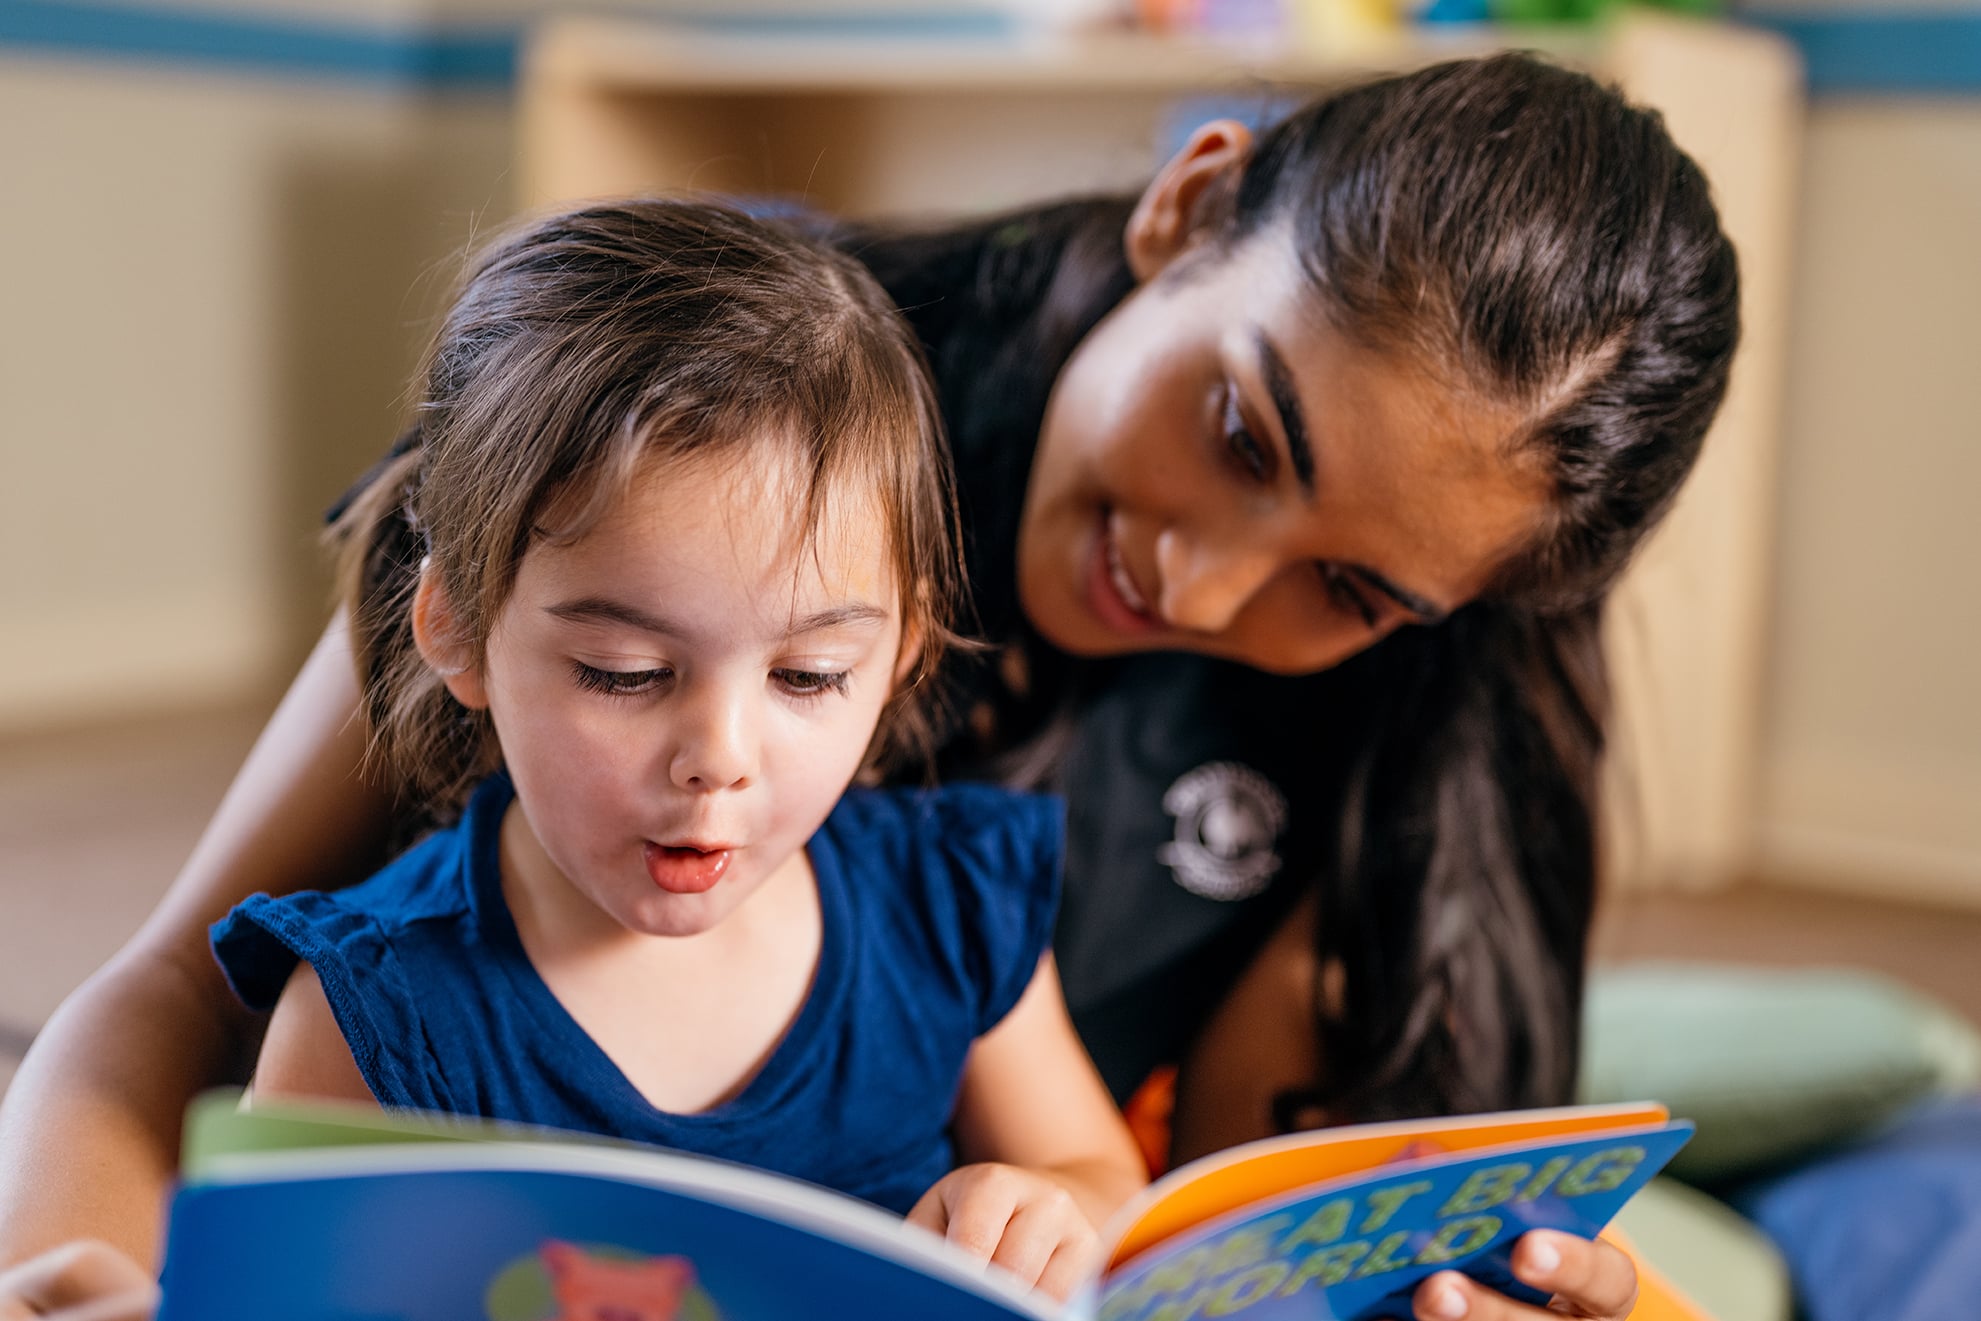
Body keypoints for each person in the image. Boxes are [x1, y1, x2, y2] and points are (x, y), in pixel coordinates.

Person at [0, 52, 1738, 1321]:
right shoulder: (668, 425)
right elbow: (172, 986)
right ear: (1189, 205)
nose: (1201, 581)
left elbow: (1217, 1220)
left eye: (1348, 586)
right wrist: (75, 1274)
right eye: (1235, 432)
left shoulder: (1391, 698)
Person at [218, 196, 1146, 1300]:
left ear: (900, 657)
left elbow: (1097, 1176)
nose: (718, 755)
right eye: (625, 672)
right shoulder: (374, 1012)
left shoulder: (946, 904)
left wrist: (1053, 1210)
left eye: (807, 676)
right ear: (456, 630)